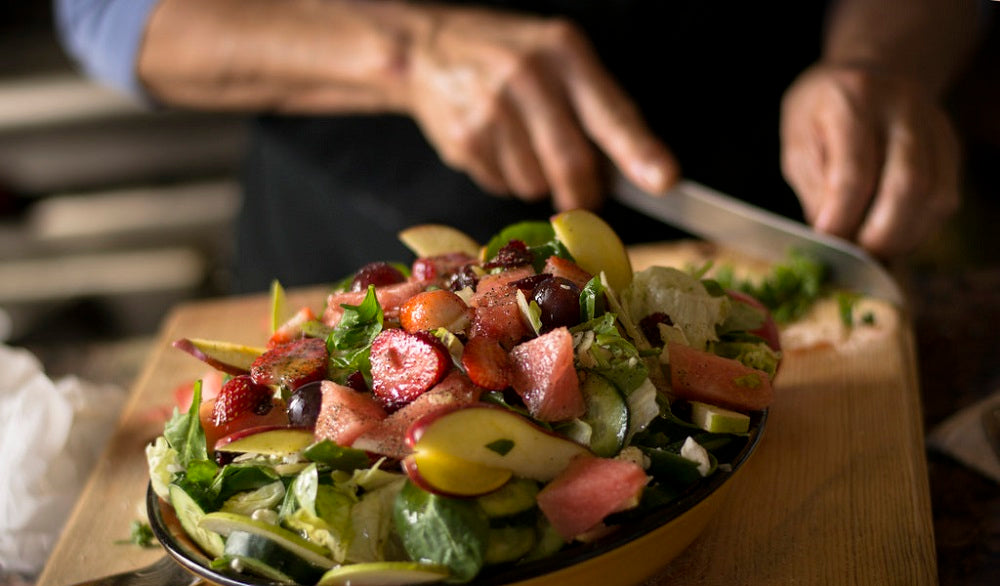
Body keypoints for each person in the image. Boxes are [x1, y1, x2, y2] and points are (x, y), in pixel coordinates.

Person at [54, 0, 980, 293]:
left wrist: (882, 60)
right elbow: (108, 12)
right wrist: (405, 55)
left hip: (764, 203)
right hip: (353, 233)